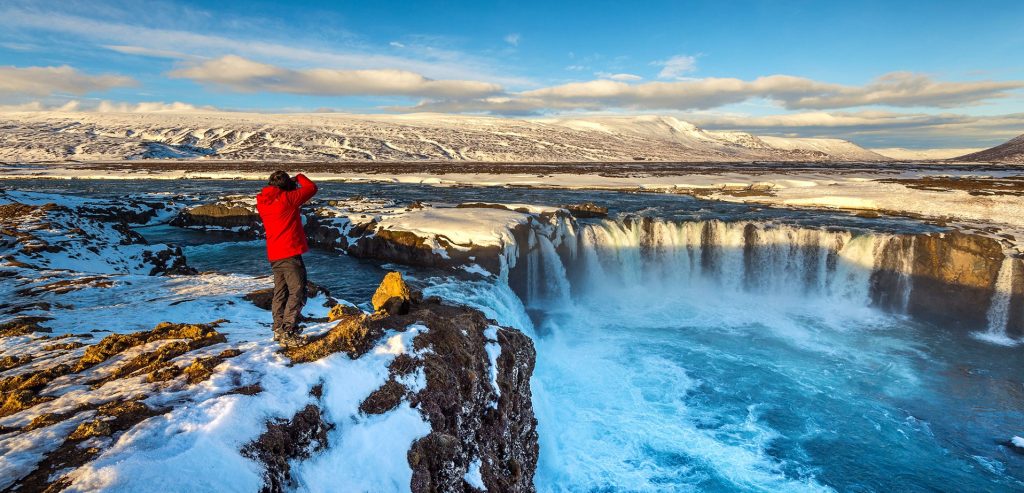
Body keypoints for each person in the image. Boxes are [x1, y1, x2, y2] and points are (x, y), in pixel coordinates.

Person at [256, 170, 318, 347]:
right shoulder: (287, 199)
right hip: (289, 252)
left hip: (274, 254)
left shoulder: (263, 201)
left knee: (281, 291)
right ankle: (288, 331)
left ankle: (278, 328)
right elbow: (311, 188)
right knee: (298, 291)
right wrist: (298, 177)